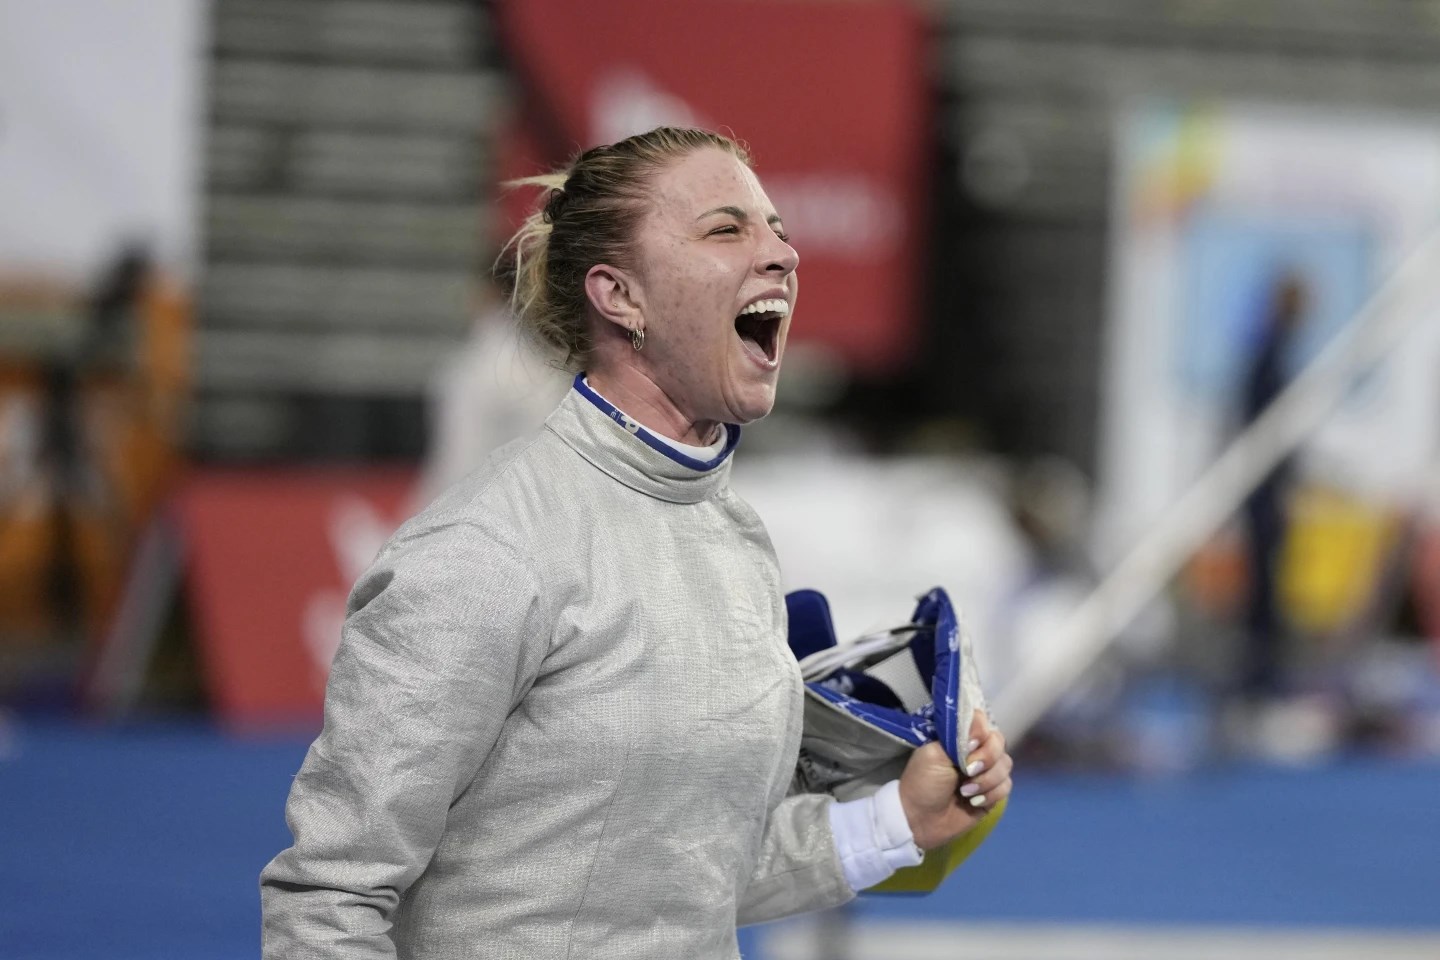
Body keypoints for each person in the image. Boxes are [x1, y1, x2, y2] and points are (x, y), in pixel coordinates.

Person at [260, 126, 1013, 959]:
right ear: (620, 296)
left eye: (780, 232)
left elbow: (686, 870)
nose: (781, 256)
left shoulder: (735, 540)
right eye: (727, 229)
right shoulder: (485, 551)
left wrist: (898, 820)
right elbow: (330, 896)